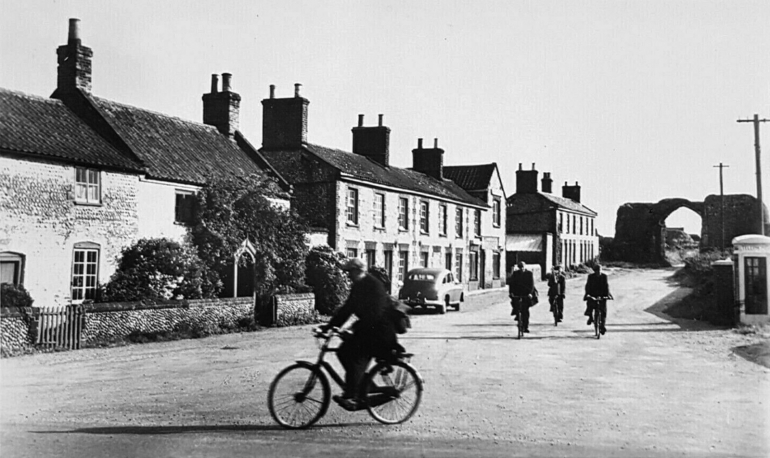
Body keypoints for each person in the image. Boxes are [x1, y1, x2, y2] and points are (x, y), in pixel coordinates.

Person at [321, 258, 399, 410]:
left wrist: (352, 330)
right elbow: (347, 309)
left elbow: (374, 315)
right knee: (343, 352)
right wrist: (329, 326)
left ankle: (353, 398)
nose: (348, 276)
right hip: (369, 330)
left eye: (349, 272)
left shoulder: (373, 286)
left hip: (380, 333)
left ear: (357, 271)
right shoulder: (359, 286)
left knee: (355, 358)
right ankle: (365, 387)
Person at [583, 264, 613, 335]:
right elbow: (588, 286)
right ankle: (590, 317)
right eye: (597, 271)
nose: (599, 272)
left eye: (600, 270)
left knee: (603, 311)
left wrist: (607, 295)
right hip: (593, 294)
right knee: (589, 304)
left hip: (602, 295)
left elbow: (606, 286)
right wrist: (588, 294)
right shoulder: (591, 277)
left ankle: (602, 326)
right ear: (595, 271)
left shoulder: (604, 277)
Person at [508, 261, 536, 333]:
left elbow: (532, 285)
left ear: (525, 267)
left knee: (525, 311)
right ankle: (517, 314)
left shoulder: (529, 274)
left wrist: (530, 293)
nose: (521, 269)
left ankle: (526, 327)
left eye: (522, 267)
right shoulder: (515, 274)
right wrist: (511, 293)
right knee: (515, 304)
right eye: (520, 267)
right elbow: (512, 284)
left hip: (526, 293)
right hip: (517, 292)